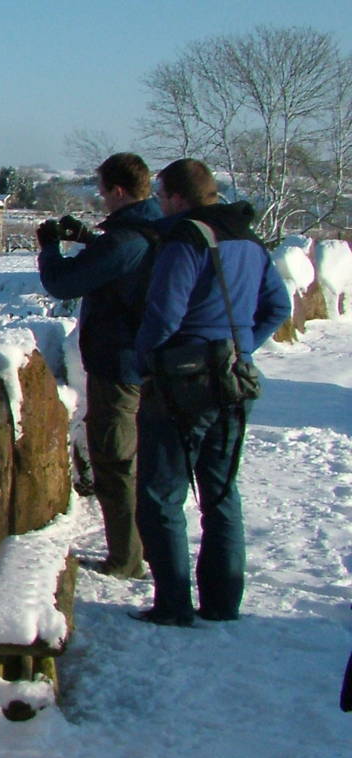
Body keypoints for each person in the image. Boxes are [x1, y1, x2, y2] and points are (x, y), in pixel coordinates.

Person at [130, 159, 291, 626]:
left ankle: (174, 604)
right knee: (220, 492)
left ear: (177, 197)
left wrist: (149, 363)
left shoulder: (188, 239)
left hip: (184, 380)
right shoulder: (249, 240)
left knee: (162, 494)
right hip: (236, 378)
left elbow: (164, 316)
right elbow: (278, 306)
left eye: (162, 197)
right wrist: (240, 345)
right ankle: (223, 603)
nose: (160, 204)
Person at [37, 153, 160, 579]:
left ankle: (126, 558)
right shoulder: (156, 226)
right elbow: (126, 260)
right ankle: (146, 548)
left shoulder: (125, 239)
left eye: (103, 190)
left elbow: (64, 282)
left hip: (119, 362)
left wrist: (49, 247)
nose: (101, 197)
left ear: (118, 190)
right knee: (141, 458)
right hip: (152, 361)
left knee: (115, 460)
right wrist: (90, 239)